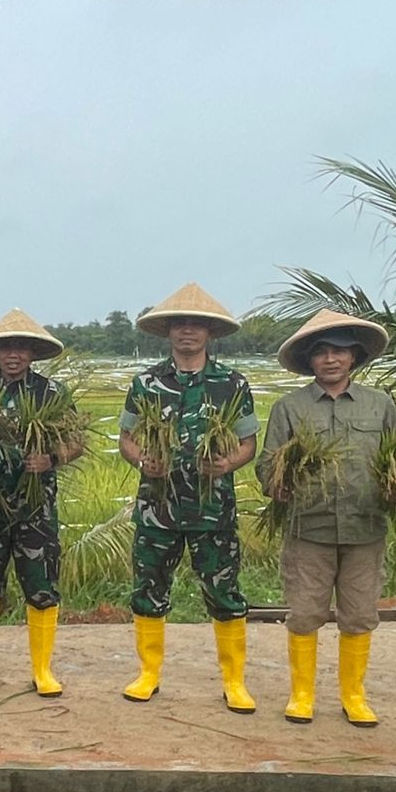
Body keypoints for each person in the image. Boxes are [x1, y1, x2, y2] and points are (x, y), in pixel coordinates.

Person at [117, 284, 259, 712]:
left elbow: (249, 443)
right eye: (180, 324)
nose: (187, 332)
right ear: (168, 333)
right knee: (149, 588)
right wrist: (143, 460)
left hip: (212, 510)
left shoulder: (232, 383)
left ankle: (234, 682)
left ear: (210, 333)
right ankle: (148, 674)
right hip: (156, 509)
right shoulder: (146, 383)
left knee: (224, 592)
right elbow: (126, 439)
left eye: (196, 325)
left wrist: (227, 464)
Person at [257, 310, 396, 726]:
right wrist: (276, 483)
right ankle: (302, 695)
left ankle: (353, 694)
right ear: (310, 361)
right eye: (321, 353)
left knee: (358, 615)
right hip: (308, 529)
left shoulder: (381, 406)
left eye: (339, 351)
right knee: (304, 612)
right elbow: (268, 463)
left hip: (365, 527)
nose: (330, 360)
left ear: (354, 357)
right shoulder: (289, 408)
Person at [0, 309, 85, 696]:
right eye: (5, 349)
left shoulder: (52, 395)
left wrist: (52, 459)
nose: (13, 355)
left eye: (21, 348)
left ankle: (42, 671)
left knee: (41, 586)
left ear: (32, 353)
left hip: (36, 509)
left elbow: (77, 441)